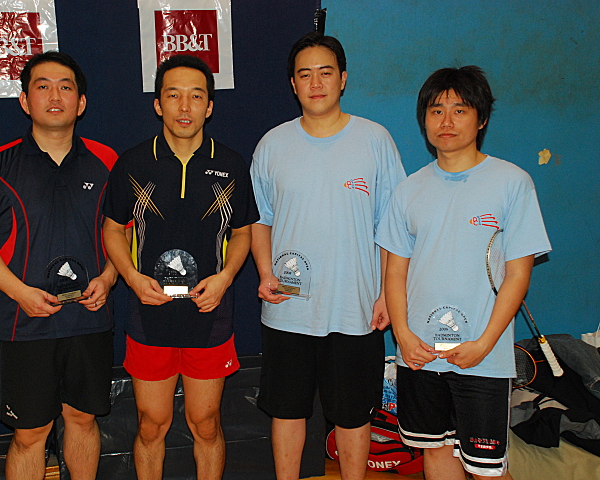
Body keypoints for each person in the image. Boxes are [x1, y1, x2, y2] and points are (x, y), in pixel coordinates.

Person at [376, 66, 552, 480]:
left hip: (482, 357)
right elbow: (395, 272)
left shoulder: (513, 183)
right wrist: (404, 336)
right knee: (435, 453)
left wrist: (485, 344)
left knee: (487, 471)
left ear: (482, 118)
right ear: (424, 119)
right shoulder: (408, 190)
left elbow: (518, 276)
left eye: (460, 110)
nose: (447, 121)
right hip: (420, 355)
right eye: (436, 111)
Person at [250, 32, 406, 480]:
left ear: (343, 79)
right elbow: (259, 220)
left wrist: (386, 294)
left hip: (355, 308)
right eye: (305, 75)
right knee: (287, 410)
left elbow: (394, 226)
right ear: (293, 84)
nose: (315, 83)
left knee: (354, 415)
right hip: (289, 307)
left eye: (325, 73)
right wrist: (264, 273)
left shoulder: (375, 140)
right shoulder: (272, 145)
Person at [0, 51, 118, 480]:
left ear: (81, 102)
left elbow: (123, 234)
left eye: (66, 87)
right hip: (26, 324)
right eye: (42, 87)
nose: (55, 96)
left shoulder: (107, 161)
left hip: (90, 320)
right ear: (25, 101)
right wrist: (20, 293)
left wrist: (109, 277)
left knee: (83, 419)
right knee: (30, 434)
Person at [102, 54, 259, 480]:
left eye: (196, 96)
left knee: (205, 423)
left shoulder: (231, 164)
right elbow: (112, 229)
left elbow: (243, 232)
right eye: (173, 95)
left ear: (210, 106)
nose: (184, 106)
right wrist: (131, 278)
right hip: (150, 314)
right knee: (151, 425)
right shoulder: (133, 163)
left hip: (209, 314)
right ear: (158, 104)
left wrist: (226, 278)